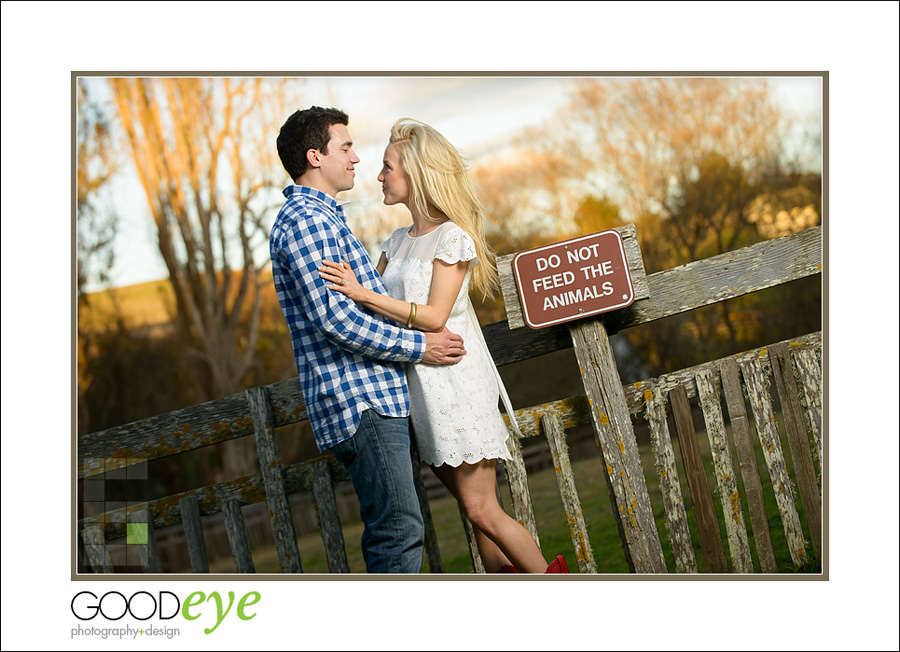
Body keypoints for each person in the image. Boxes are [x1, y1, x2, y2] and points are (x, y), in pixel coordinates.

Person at [318, 118, 568, 574]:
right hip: (419, 391)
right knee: (477, 520)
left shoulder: (453, 237)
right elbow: (378, 316)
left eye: (387, 167)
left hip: (456, 385)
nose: (378, 176)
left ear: (415, 173)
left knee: (483, 511)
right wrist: (356, 296)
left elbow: (434, 316)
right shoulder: (394, 242)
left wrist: (362, 292)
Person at [270, 107, 468, 574]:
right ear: (315, 156)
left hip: (375, 397)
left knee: (399, 526)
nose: (356, 158)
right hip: (360, 400)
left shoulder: (325, 219)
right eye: (345, 147)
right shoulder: (306, 222)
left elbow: (361, 304)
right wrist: (423, 347)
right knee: (397, 530)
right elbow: (338, 322)